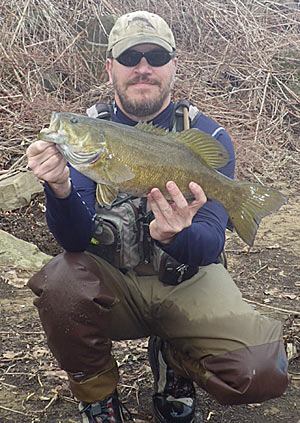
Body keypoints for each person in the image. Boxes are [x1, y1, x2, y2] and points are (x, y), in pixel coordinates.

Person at [26, 10, 288, 423]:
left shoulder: (206, 135)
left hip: (185, 280)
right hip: (115, 287)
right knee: (59, 280)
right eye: (130, 58)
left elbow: (209, 245)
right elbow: (73, 241)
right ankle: (97, 394)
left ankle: (176, 358)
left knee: (261, 373)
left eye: (155, 56)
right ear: (110, 66)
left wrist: (176, 235)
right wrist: (58, 189)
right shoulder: (94, 135)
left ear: (173, 66)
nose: (143, 67)